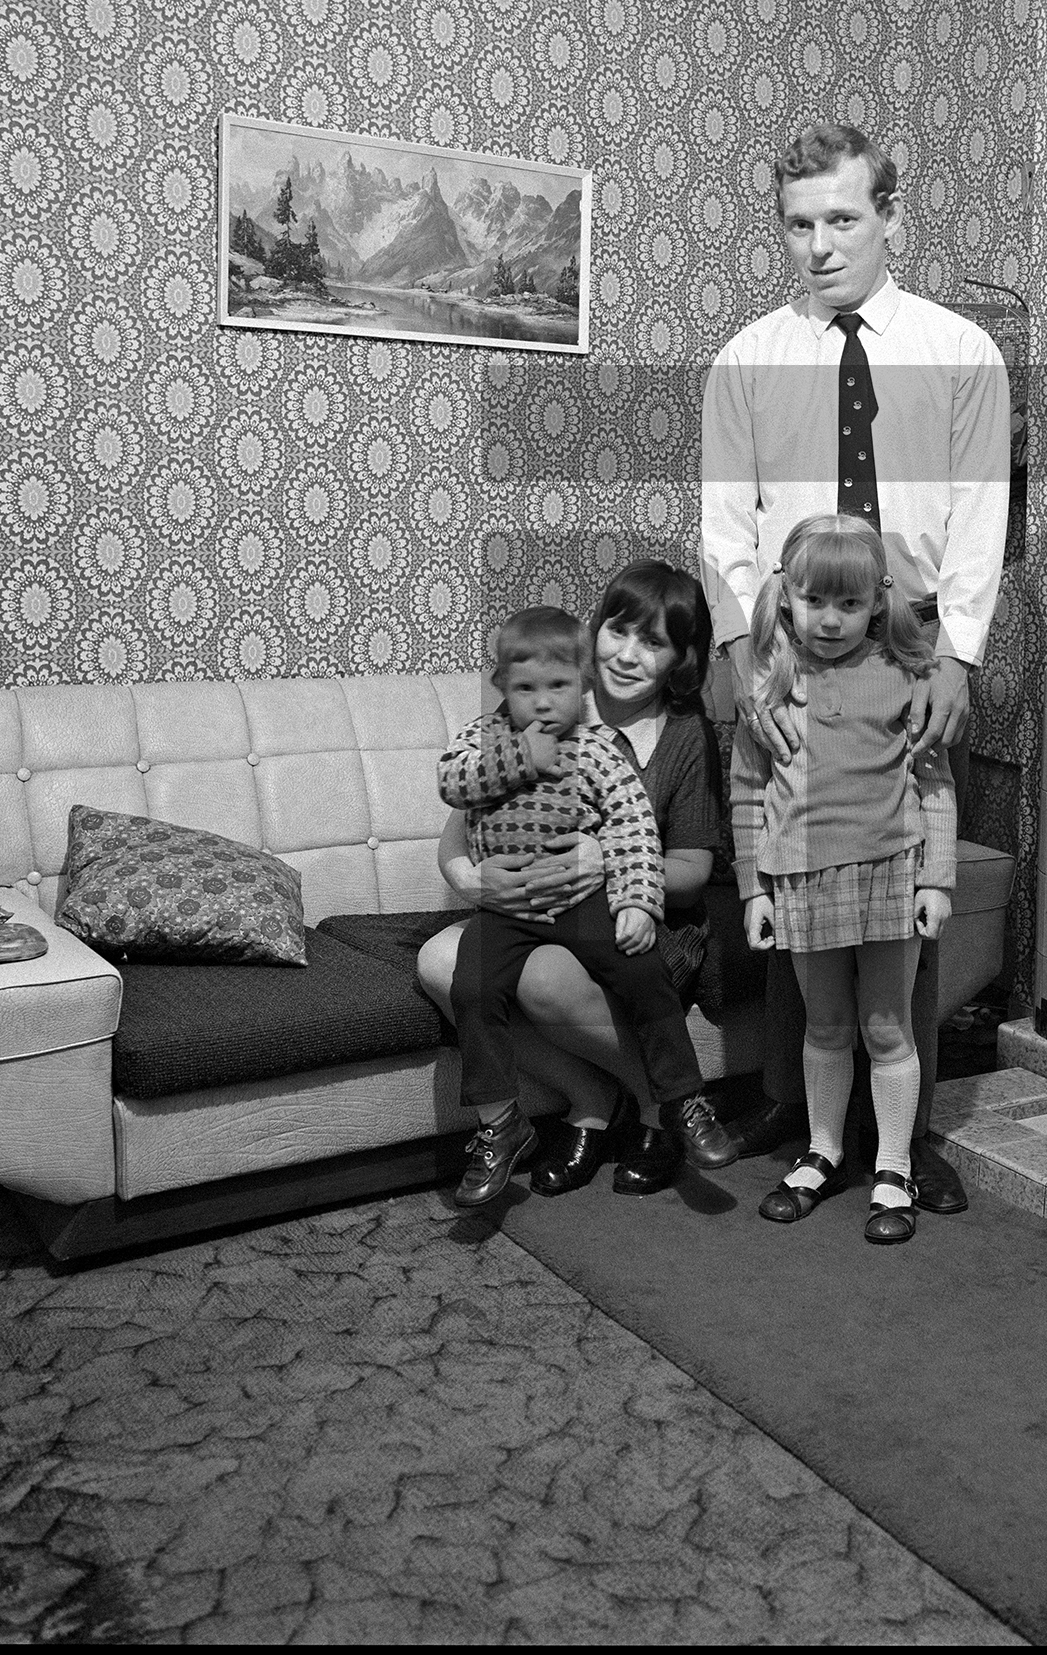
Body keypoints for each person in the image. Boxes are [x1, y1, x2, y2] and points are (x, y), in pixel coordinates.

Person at [701, 121, 1008, 1215]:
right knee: (793, 870)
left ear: (889, 216)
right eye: (799, 224)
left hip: (911, 637)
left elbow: (981, 511)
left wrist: (961, 655)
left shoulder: (963, 352)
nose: (819, 245)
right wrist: (744, 654)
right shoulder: (748, 359)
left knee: (901, 888)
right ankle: (805, 1114)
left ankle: (905, 1138)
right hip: (791, 643)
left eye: (842, 218)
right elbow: (725, 521)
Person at [419, 562, 732, 1198]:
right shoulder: (540, 692)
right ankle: (586, 1096)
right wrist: (477, 884)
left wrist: (608, 864)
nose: (629, 654)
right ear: (594, 637)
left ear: (680, 659)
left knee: (541, 977)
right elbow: (459, 823)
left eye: (654, 643)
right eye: (619, 631)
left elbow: (693, 870)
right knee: (442, 964)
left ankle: (658, 1108)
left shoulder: (681, 736)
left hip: (638, 915)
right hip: (526, 907)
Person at [734, 514, 955, 1245]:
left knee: (886, 1028)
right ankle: (823, 1151)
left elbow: (934, 783)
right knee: (825, 1025)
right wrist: (754, 890)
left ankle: (893, 1165)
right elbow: (746, 790)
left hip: (891, 870)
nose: (830, 620)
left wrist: (937, 881)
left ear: (878, 602)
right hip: (799, 876)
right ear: (786, 595)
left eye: (850, 605)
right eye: (814, 601)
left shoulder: (906, 673)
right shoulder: (769, 678)